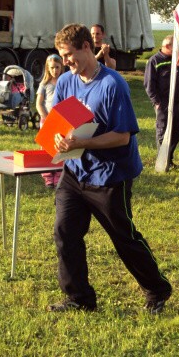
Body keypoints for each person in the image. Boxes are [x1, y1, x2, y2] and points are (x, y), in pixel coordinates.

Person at [48, 23, 172, 314]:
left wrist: (83, 142)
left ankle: (157, 288)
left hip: (110, 175)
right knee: (65, 232)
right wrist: (57, 136)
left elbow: (122, 136)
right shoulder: (66, 82)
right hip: (75, 172)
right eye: (62, 57)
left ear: (87, 47)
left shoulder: (112, 84)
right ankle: (79, 298)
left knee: (123, 237)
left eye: (68, 55)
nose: (65, 62)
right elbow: (59, 122)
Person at [144, 34, 179, 170]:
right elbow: (149, 84)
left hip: (177, 101)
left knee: (175, 131)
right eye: (178, 45)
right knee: (163, 130)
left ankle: (169, 158)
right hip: (163, 102)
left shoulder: (178, 59)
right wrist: (157, 102)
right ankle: (162, 160)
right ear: (167, 46)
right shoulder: (155, 60)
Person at [36, 53, 64, 188]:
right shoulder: (44, 84)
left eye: (57, 67)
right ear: (47, 68)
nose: (55, 70)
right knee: (46, 148)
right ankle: (47, 176)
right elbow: (39, 104)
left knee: (60, 147)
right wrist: (46, 118)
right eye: (52, 67)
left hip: (61, 121)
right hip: (47, 120)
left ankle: (58, 175)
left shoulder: (65, 82)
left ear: (61, 67)